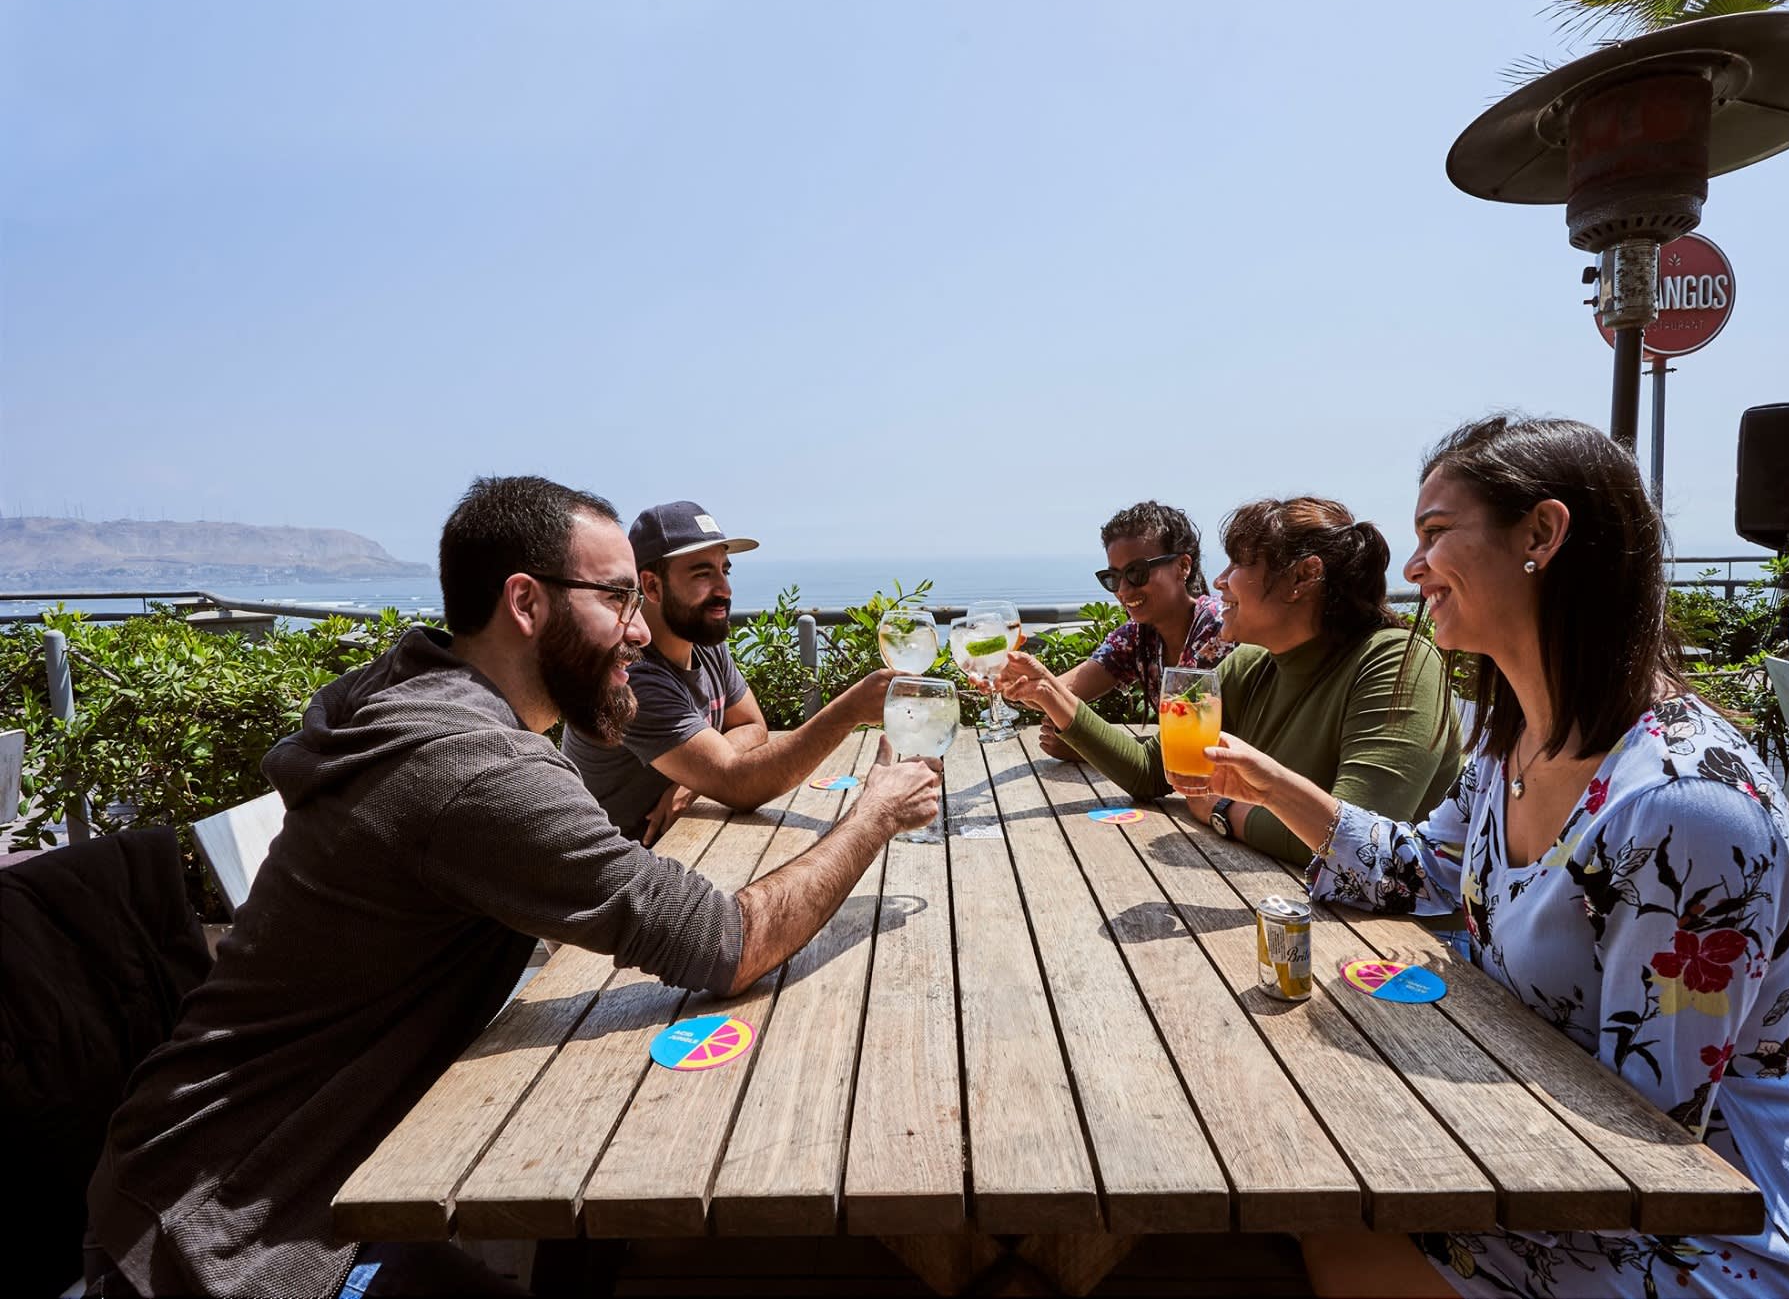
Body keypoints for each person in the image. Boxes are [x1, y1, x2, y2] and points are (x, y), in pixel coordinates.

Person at [84, 477, 939, 1299]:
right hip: (234, 1232)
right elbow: (728, 941)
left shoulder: (426, 694)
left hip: (237, 1172)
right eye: (618, 599)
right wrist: (873, 813)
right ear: (526, 603)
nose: (639, 633)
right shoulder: (473, 765)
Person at [1195, 416, 1789, 1297]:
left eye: (1434, 533)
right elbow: (1418, 869)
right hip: (1553, 1164)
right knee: (1271, 1201)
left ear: (1541, 533)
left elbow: (1643, 1137)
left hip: (1724, 1234)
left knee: (1292, 1226)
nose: (1413, 568)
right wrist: (1272, 785)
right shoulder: (1515, 743)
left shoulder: (1684, 808)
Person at [999, 495, 1462, 867]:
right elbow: (1152, 769)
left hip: (1409, 940)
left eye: (1238, 565)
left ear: (1303, 576)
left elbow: (1357, 844)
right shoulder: (1251, 663)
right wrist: (1049, 694)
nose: (1219, 581)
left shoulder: (1397, 663)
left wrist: (1220, 810)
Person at [561, 500, 901, 845]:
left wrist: (694, 781)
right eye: (702, 574)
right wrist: (851, 709)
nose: (724, 589)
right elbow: (739, 785)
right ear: (652, 587)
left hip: (681, 845)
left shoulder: (703, 642)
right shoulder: (631, 676)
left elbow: (753, 726)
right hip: (619, 863)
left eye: (725, 570)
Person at [1037, 501, 1233, 762]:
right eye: (1113, 577)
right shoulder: (1138, 636)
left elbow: (1192, 743)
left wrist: (1086, 746)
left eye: (1137, 572)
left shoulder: (1220, 629)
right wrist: (1009, 679)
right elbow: (1061, 689)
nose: (1123, 590)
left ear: (1182, 566)